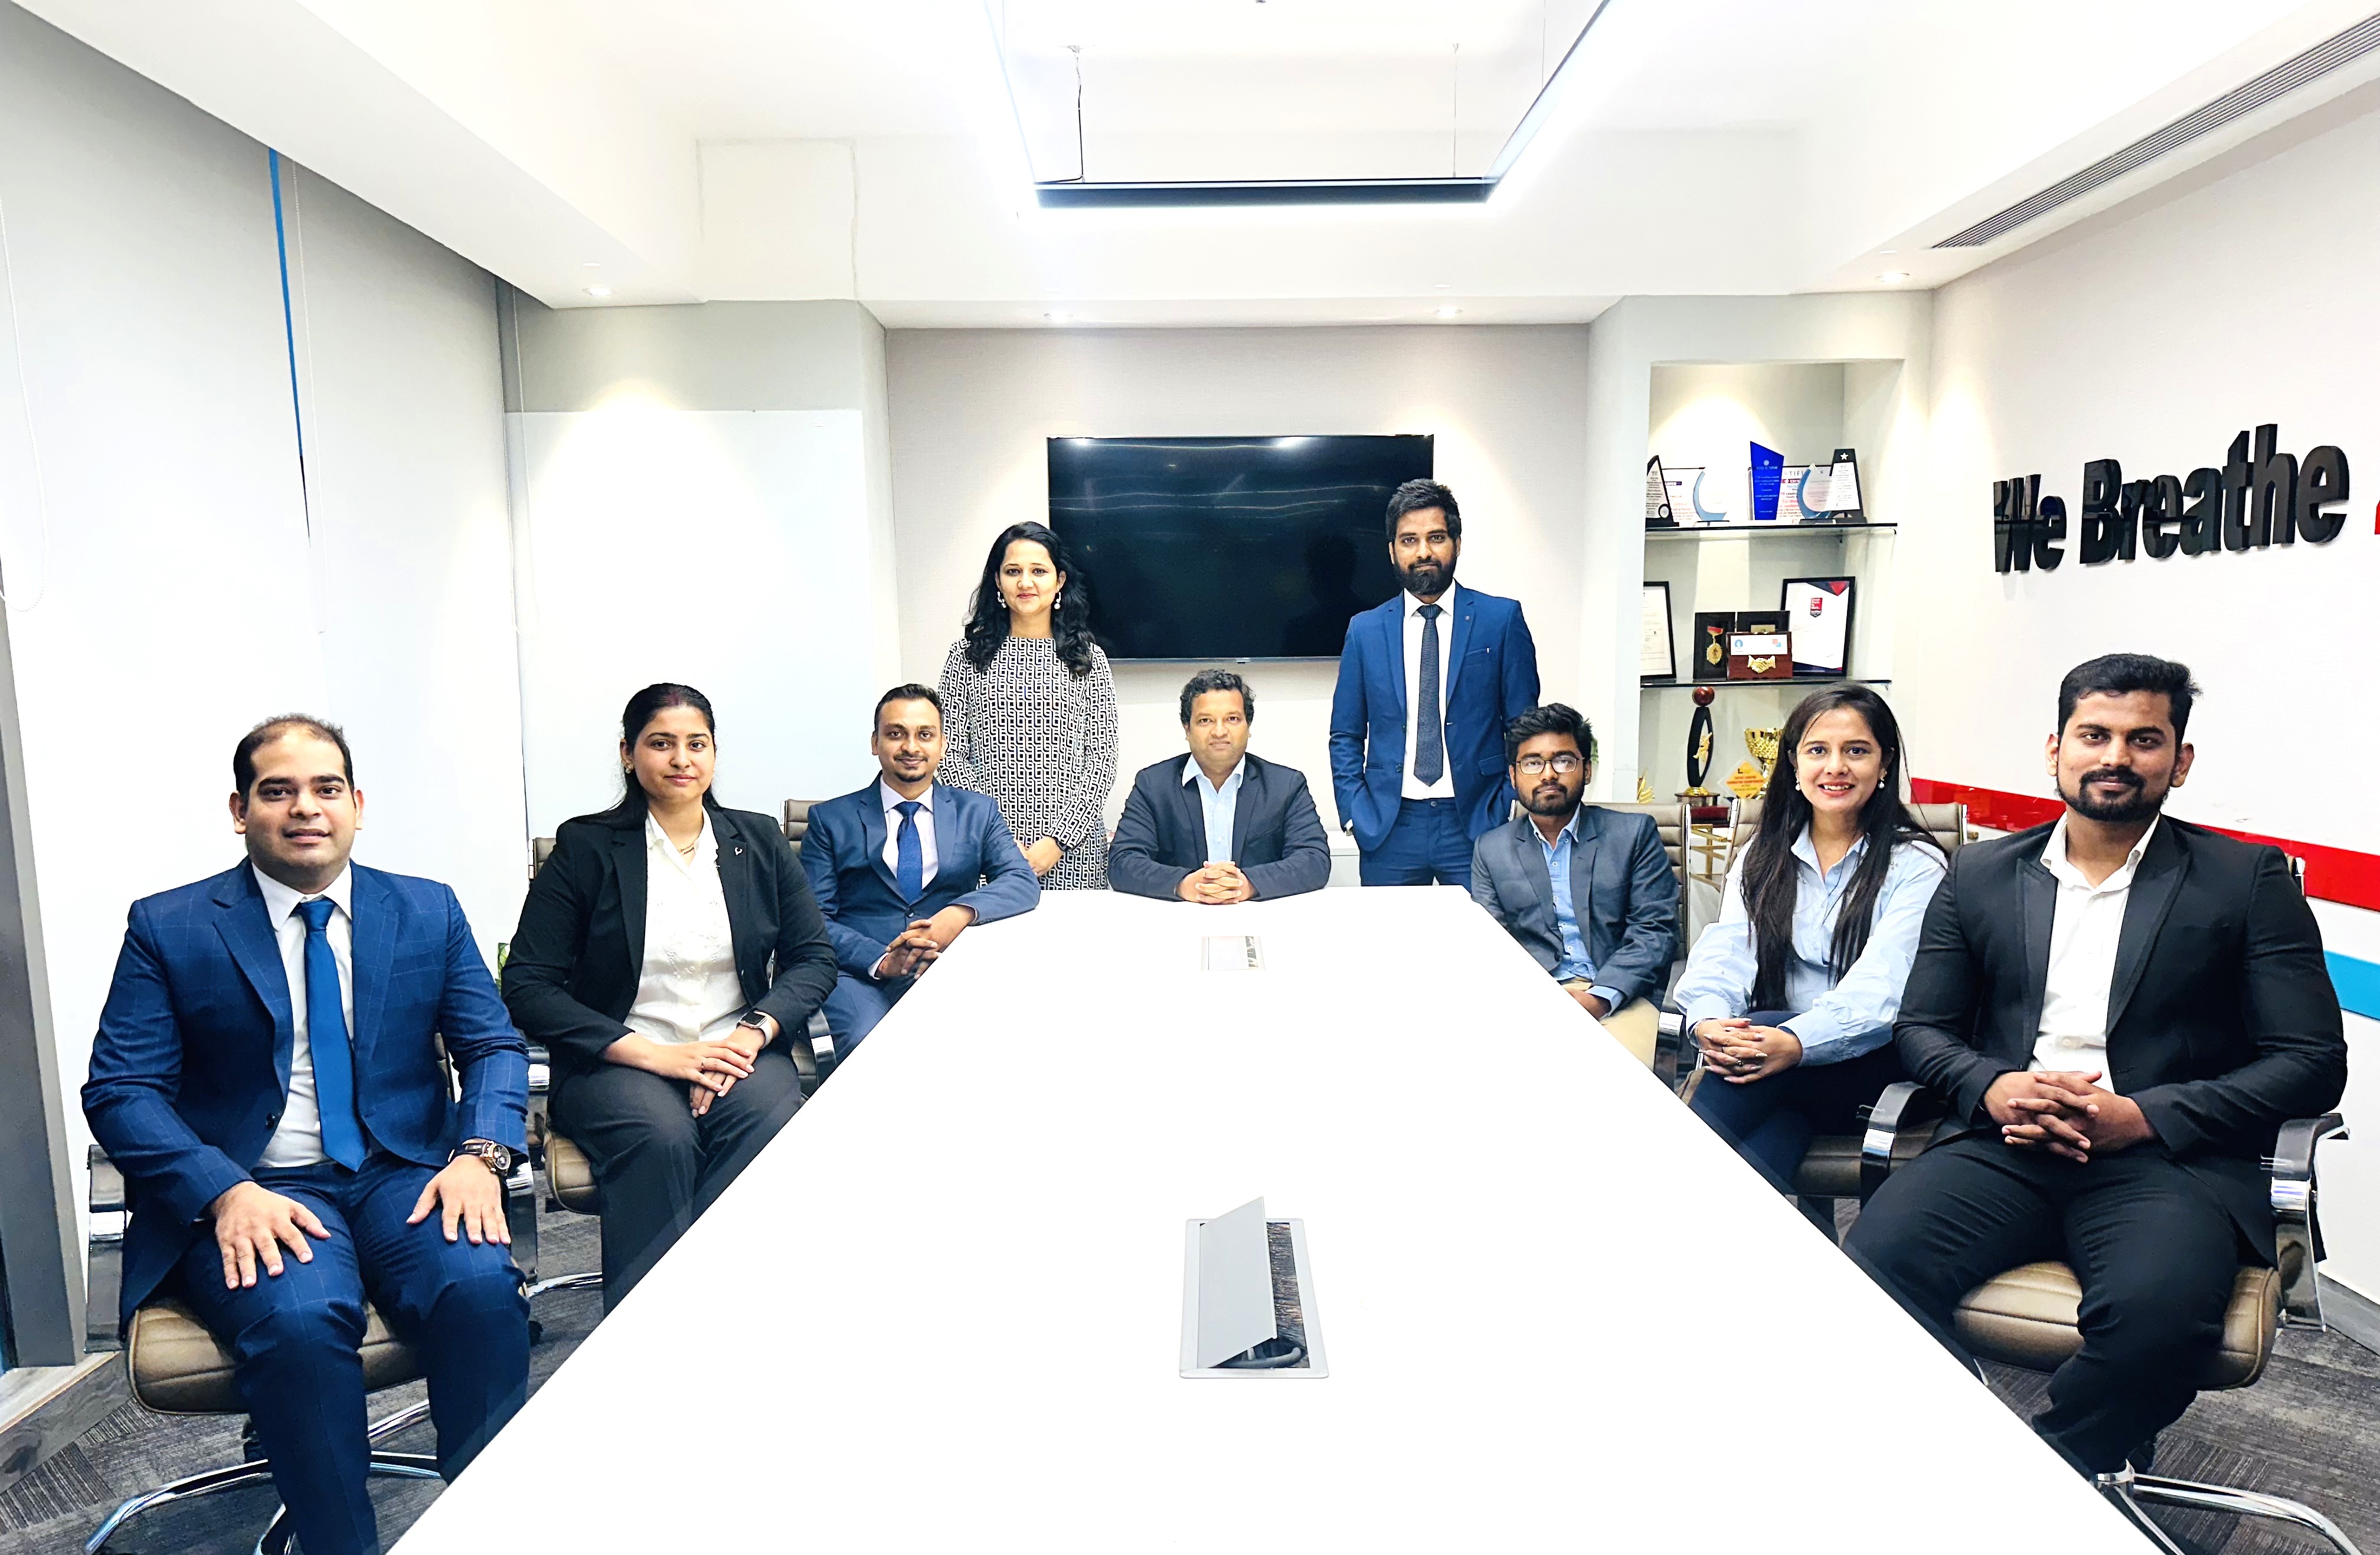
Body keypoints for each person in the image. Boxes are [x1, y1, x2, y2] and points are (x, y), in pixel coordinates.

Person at [1845, 654, 2346, 1479]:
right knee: (1865, 1278)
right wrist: (1993, 1087)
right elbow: (1924, 1028)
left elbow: (2312, 1062)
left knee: (2156, 1324)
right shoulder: (1979, 874)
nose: (2115, 756)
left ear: (2180, 760)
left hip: (2166, 1160)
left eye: (2144, 739)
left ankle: (2054, 1480)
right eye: (2094, 735)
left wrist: (2144, 1115)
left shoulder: (2244, 880)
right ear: (2056, 749)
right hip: (2006, 1143)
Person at [83, 716, 528, 1555]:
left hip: (400, 1170)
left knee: (478, 1290)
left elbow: (493, 1045)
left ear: (357, 803)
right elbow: (121, 1089)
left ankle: (489, 1523)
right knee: (299, 1321)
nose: (305, 808)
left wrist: (481, 1153)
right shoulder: (171, 925)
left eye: (325, 788)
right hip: (257, 1185)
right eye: (277, 790)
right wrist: (223, 1189)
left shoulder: (425, 908)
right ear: (239, 809)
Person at [503, 684, 836, 1307]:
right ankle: (651, 1326)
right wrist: (654, 1055)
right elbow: (526, 983)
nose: (682, 759)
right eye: (661, 743)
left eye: (696, 744)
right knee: (661, 1138)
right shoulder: (585, 847)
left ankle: (741, 1310)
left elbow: (814, 957)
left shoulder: (758, 840)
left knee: (771, 1123)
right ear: (628, 754)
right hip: (622, 1058)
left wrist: (754, 1032)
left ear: (714, 753)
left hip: (736, 1048)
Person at [1673, 684, 1947, 1204]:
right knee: (1776, 1136)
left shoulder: (1917, 865)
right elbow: (1727, 951)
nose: (1835, 767)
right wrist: (1709, 1020)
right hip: (1774, 1069)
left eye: (1856, 750)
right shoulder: (1763, 854)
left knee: (1755, 1053)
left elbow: (1883, 991)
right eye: (1818, 750)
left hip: (1872, 1068)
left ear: (1885, 763)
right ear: (1794, 764)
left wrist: (1792, 1041)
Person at [803, 684, 1041, 1047]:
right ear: (875, 743)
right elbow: (813, 919)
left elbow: (1020, 880)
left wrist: (958, 914)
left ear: (943, 744)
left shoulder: (977, 812)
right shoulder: (830, 819)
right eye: (896, 734)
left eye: (925, 735)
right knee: (869, 1041)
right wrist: (881, 960)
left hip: (950, 965)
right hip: (859, 975)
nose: (911, 747)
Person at [1328, 479, 1539, 887]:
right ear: (1392, 551)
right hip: (1390, 826)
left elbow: (1525, 727)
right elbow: (1346, 734)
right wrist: (1355, 812)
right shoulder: (1365, 630)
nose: (1423, 551)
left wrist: (1509, 804)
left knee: (1482, 930)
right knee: (1391, 932)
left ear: (1457, 543)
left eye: (1436, 537)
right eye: (1409, 540)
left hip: (1477, 821)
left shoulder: (1500, 620)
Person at [1469, 705, 1678, 1065]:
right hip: (1531, 1002)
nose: (1548, 774)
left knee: (1615, 1077)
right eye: (1532, 763)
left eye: (1564, 760)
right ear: (1513, 776)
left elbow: (1654, 930)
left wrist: (1600, 997)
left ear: (1587, 769)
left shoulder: (1633, 834)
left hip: (1619, 997)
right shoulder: (1491, 849)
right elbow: (1493, 945)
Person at [938, 520, 1119, 891]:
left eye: (1038, 571)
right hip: (987, 849)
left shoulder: (1088, 659)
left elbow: (1101, 762)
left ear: (1060, 581)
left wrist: (1058, 841)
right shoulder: (968, 656)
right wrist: (998, 839)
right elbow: (950, 756)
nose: (1025, 583)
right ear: (998, 581)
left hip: (1074, 853)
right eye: (1013, 572)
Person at [1110, 669, 1333, 902]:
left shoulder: (1285, 786)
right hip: (1180, 916)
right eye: (1205, 721)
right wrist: (1185, 885)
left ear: (1248, 727)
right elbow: (1122, 862)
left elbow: (1314, 859)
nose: (1219, 732)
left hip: (1261, 915)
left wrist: (1246, 885)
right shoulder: (1153, 785)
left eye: (1232, 719)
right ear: (1187, 729)